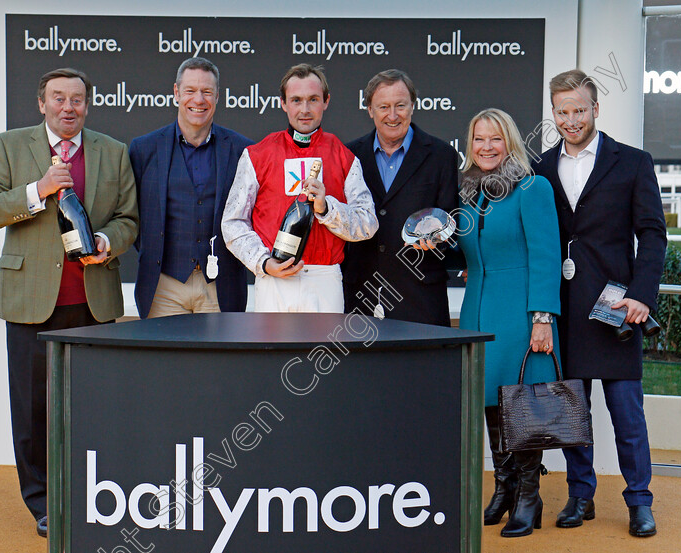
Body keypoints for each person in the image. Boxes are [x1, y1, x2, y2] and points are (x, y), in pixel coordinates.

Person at [0, 68, 138, 538]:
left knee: (94, 407)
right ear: (41, 103)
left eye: (77, 99)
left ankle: (92, 496)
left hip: (94, 300)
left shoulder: (113, 151)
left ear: (87, 105)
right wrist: (38, 190)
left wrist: (107, 240)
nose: (68, 107)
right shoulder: (9, 145)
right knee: (32, 411)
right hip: (30, 300)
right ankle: (43, 504)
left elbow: (130, 219)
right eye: (58, 98)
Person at [532, 69, 666, 538]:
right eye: (562, 112)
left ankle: (639, 501)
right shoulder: (540, 167)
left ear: (594, 108)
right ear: (554, 114)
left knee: (627, 413)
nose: (571, 119)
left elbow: (652, 235)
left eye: (579, 110)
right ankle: (580, 495)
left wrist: (641, 297)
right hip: (563, 308)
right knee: (573, 409)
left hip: (616, 310)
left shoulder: (632, 162)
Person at [455, 109, 561, 538]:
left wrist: (542, 318)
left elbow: (545, 255)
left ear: (511, 142)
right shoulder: (470, 193)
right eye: (478, 139)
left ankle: (529, 499)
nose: (485, 147)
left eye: (495, 139)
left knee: (522, 404)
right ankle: (504, 487)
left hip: (519, 309)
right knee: (489, 401)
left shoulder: (532, 187)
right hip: (478, 307)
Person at [222, 63, 377, 312]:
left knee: (323, 352)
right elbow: (232, 223)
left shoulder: (344, 156)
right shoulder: (256, 155)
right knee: (274, 353)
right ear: (283, 103)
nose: (304, 110)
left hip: (324, 281)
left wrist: (327, 209)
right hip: (273, 280)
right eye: (296, 100)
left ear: (326, 101)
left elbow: (368, 224)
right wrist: (263, 262)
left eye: (313, 99)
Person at [129, 57, 253, 318]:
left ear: (218, 96)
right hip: (163, 287)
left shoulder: (243, 150)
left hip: (221, 288)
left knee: (216, 359)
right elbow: (133, 216)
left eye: (207, 92)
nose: (199, 100)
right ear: (176, 92)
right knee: (165, 360)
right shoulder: (144, 149)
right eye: (190, 91)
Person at [344, 69, 458, 325]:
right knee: (364, 367)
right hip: (361, 296)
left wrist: (437, 240)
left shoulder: (441, 155)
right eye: (383, 106)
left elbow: (450, 222)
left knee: (422, 367)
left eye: (400, 106)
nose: (392, 115)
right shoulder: (349, 155)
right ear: (370, 110)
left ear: (413, 106)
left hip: (422, 297)